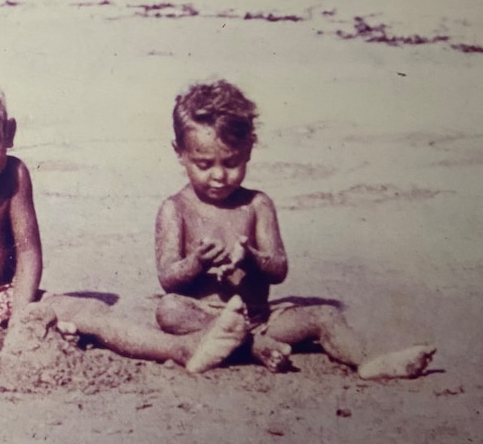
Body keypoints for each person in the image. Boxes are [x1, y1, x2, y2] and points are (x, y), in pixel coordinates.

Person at [0, 72, 249, 376]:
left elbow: (29, 251)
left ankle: (183, 348)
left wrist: (23, 318)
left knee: (92, 313)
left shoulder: (16, 173)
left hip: (9, 297)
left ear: (9, 132)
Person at [154, 79, 436, 379]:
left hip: (259, 316)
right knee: (169, 309)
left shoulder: (257, 204)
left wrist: (252, 258)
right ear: (180, 153)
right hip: (206, 317)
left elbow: (279, 270)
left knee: (325, 315)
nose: (220, 175)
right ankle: (252, 346)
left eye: (232, 162)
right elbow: (168, 279)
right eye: (204, 164)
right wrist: (197, 262)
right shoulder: (175, 209)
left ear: (249, 148)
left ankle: (367, 361)